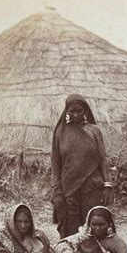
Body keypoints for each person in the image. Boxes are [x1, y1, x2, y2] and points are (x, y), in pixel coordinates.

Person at [51, 94, 112, 239]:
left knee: (94, 228)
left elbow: (103, 159)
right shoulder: (61, 132)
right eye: (72, 111)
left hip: (92, 187)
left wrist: (108, 185)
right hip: (69, 190)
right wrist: (57, 192)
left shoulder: (94, 131)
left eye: (79, 111)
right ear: (67, 112)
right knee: (72, 232)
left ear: (85, 110)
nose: (76, 114)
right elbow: (55, 163)